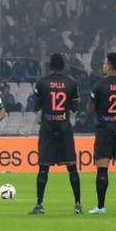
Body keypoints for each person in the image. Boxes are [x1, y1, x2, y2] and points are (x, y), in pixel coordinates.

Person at [30, 53, 81, 215]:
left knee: (43, 167)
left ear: (50, 65)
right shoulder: (72, 83)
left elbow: (37, 107)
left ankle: (39, 204)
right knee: (72, 167)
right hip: (65, 128)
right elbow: (74, 108)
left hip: (47, 129)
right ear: (64, 65)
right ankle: (78, 204)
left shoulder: (42, 82)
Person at [86, 52, 116, 214]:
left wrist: (94, 103)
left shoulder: (99, 86)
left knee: (102, 168)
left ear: (111, 65)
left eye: (105, 63)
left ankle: (101, 206)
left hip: (105, 128)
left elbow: (90, 109)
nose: (103, 66)